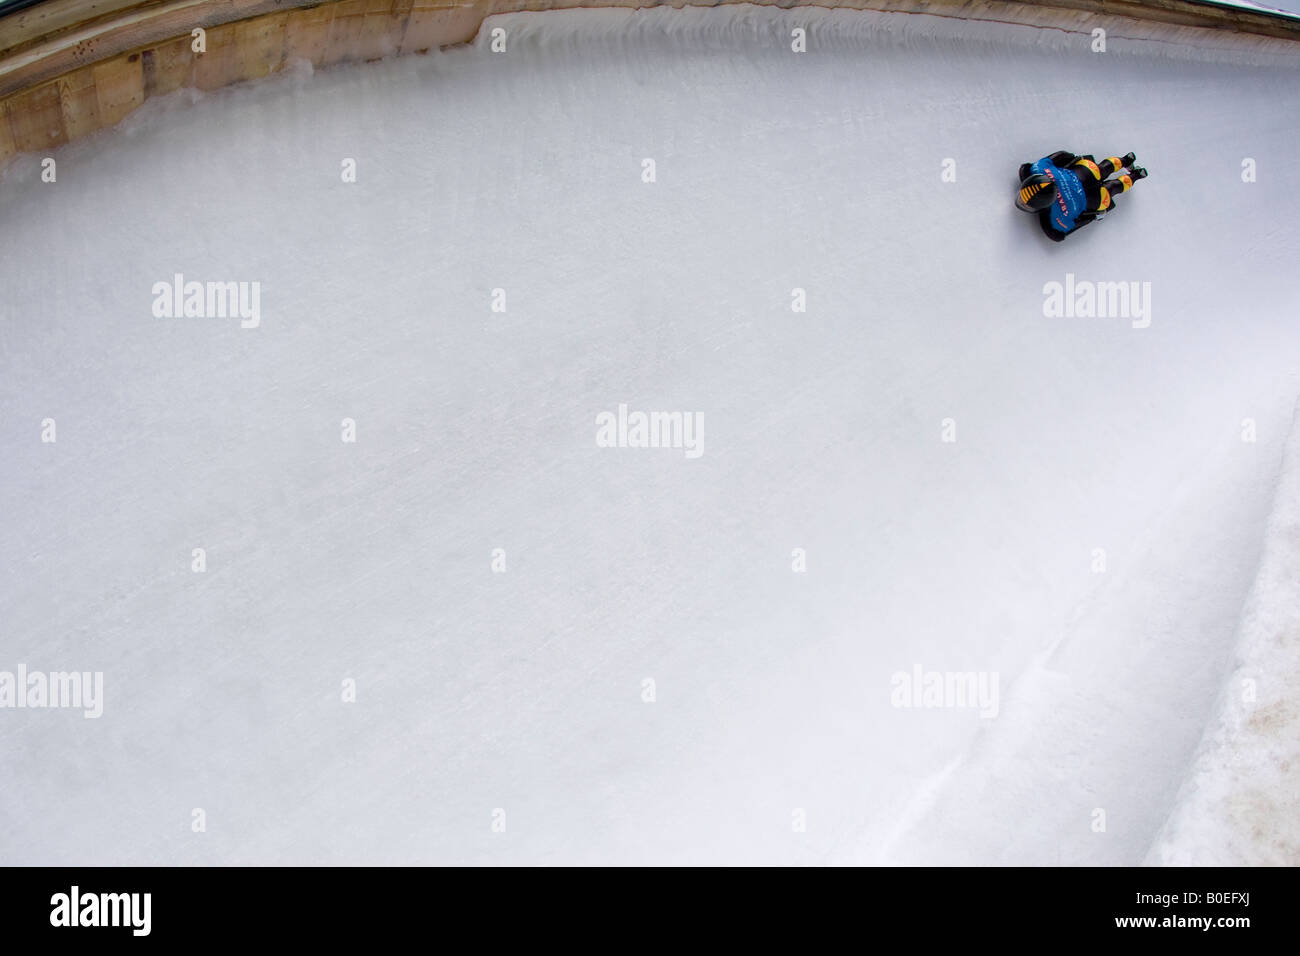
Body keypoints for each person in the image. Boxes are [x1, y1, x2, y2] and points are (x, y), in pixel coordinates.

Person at [1016, 151, 1147, 241]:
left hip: (1094, 198)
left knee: (1112, 187)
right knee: (1102, 168)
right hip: (1085, 171)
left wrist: (1094, 216)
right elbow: (1061, 155)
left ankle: (1135, 176)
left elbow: (1060, 234)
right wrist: (1074, 158)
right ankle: (1126, 159)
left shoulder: (1058, 218)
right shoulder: (1038, 169)